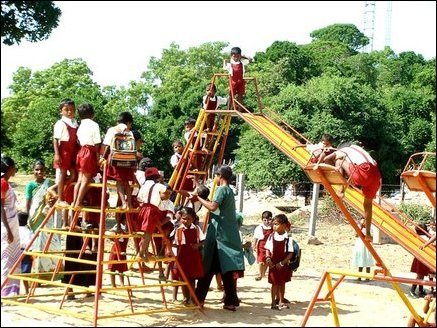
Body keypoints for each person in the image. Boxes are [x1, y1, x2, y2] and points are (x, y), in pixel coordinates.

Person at [194, 165, 245, 312]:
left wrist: (197, 197)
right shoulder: (229, 190)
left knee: (207, 268)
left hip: (218, 236)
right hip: (226, 237)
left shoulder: (222, 190)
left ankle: (199, 300)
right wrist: (198, 185)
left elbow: (212, 206)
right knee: (226, 271)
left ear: (220, 176)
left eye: (215, 176)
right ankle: (230, 302)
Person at [323, 142, 382, 241]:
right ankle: (368, 233)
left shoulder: (342, 151)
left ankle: (341, 190)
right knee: (368, 205)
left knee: (339, 160)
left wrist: (330, 169)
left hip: (363, 172)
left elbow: (326, 159)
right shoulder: (358, 150)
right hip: (376, 176)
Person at [72, 103, 101, 234]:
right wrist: (98, 157)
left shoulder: (80, 125)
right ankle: (78, 202)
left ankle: (75, 201)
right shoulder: (94, 125)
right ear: (92, 113)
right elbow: (97, 142)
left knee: (80, 179)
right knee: (86, 180)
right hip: (89, 151)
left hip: (81, 151)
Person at [101, 111, 136, 210]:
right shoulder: (130, 133)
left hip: (116, 160)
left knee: (119, 182)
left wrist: (103, 158)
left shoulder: (112, 130)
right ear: (128, 123)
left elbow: (107, 145)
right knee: (126, 183)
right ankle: (129, 204)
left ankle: (124, 203)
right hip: (128, 160)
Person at [136, 167, 172, 261]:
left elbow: (139, 198)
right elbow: (166, 192)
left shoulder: (143, 186)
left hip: (143, 208)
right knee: (148, 234)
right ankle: (140, 254)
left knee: (145, 232)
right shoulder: (159, 186)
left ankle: (144, 252)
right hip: (152, 209)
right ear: (156, 177)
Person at [173, 206, 205, 304]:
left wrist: (198, 245)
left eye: (189, 219)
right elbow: (174, 244)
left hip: (193, 256)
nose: (186, 221)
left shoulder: (196, 229)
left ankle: (192, 297)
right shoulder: (177, 229)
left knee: (191, 278)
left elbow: (203, 241)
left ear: (193, 219)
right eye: (184, 218)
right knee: (183, 278)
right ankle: (185, 297)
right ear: (180, 217)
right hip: (181, 256)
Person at [264, 213, 294, 310]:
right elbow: (267, 249)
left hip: (283, 264)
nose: (274, 226)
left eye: (276, 224)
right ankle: (273, 303)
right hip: (273, 263)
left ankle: (281, 301)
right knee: (274, 283)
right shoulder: (271, 236)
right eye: (273, 224)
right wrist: (268, 259)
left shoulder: (288, 238)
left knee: (282, 283)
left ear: (284, 225)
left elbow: (290, 253)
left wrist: (282, 263)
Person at [52, 98, 78, 207]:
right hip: (64, 149)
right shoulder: (60, 123)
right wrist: (57, 154)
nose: (69, 112)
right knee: (62, 173)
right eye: (66, 109)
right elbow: (55, 139)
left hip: (73, 150)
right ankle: (60, 199)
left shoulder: (75, 123)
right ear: (61, 111)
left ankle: (56, 189)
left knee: (73, 175)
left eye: (72, 109)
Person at [1, 156, 21, 297]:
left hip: (11, 222)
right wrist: (8, 230)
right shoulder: (3, 184)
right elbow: (1, 208)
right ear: (9, 169)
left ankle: (10, 290)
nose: (15, 169)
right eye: (13, 167)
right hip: (7, 224)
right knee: (6, 257)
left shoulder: (6, 183)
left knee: (11, 257)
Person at [223, 46, 253, 112]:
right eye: (234, 56)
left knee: (240, 96)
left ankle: (240, 110)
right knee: (231, 95)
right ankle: (228, 109)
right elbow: (224, 68)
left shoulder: (242, 63)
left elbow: (252, 60)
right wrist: (225, 61)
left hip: (241, 81)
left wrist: (244, 57)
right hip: (233, 81)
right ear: (231, 56)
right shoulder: (230, 64)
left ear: (240, 56)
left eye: (238, 56)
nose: (236, 58)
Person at [410, 223, 432, 298]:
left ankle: (420, 291)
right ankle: (412, 290)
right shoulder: (425, 238)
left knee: (421, 276)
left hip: (420, 258)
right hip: (422, 258)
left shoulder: (418, 236)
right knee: (419, 276)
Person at [108, 214, 129, 288]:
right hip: (116, 248)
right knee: (112, 268)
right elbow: (110, 234)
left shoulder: (128, 228)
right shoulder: (118, 226)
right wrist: (115, 237)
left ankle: (122, 283)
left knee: (121, 269)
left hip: (123, 249)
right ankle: (113, 284)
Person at [253, 210, 273, 281]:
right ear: (262, 220)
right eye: (265, 220)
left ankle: (263, 273)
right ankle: (260, 274)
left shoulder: (273, 227)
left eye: (269, 220)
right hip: (261, 246)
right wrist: (254, 246)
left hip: (270, 247)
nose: (267, 222)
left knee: (267, 261)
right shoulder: (259, 228)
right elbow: (255, 238)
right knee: (261, 261)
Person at [18, 211, 34, 294]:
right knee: (25, 273)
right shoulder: (28, 231)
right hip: (26, 253)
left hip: (17, 252)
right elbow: (30, 243)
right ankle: (27, 291)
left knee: (15, 272)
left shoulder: (16, 230)